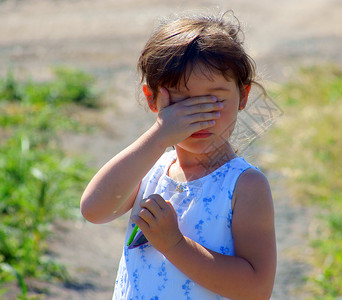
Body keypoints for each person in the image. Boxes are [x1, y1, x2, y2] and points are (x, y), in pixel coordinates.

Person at [80, 10, 276, 300]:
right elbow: (94, 210)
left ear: (243, 97)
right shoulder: (150, 168)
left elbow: (256, 289)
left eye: (215, 100)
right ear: (152, 99)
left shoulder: (245, 186)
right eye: (182, 102)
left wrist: (175, 245)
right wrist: (159, 135)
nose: (200, 116)